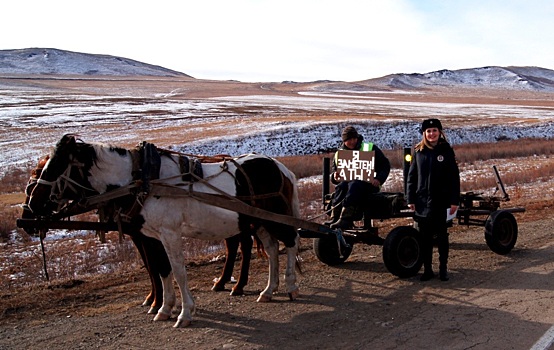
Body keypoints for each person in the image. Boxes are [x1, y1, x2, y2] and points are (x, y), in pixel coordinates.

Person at [407, 118, 460, 281]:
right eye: (428, 131)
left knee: (442, 237)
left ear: (440, 132)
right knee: (425, 238)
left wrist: (454, 201)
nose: (432, 134)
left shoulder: (446, 150)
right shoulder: (418, 151)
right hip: (423, 202)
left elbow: (454, 177)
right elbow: (412, 177)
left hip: (441, 201)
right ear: (424, 134)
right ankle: (427, 270)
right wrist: (410, 199)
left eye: (434, 131)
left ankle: (443, 268)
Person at [326, 126, 391, 229]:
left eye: (354, 138)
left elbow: (385, 165)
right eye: (349, 139)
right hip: (348, 185)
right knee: (341, 187)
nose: (352, 142)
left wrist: (379, 179)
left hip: (369, 185)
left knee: (354, 184)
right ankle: (335, 217)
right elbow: (335, 175)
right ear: (344, 141)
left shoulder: (369, 147)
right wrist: (335, 176)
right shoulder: (339, 154)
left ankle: (346, 219)